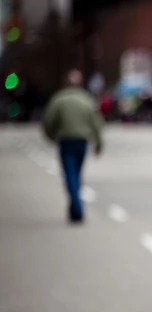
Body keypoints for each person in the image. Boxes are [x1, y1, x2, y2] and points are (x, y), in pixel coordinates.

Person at [43, 69, 104, 224]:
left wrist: (51, 136)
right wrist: (99, 143)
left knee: (70, 174)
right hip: (82, 141)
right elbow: (96, 123)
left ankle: (76, 207)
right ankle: (75, 206)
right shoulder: (86, 100)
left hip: (67, 141)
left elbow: (48, 121)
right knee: (76, 173)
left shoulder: (59, 99)